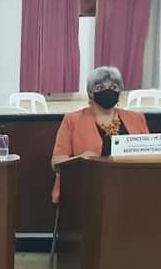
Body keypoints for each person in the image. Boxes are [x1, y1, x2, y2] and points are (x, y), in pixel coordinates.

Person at [50, 66, 149, 202]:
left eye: (113, 87)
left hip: (131, 190)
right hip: (86, 191)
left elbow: (151, 156)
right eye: (100, 88)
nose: (108, 91)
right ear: (91, 93)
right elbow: (56, 163)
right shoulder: (72, 120)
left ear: (120, 91)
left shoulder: (137, 118)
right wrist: (80, 159)